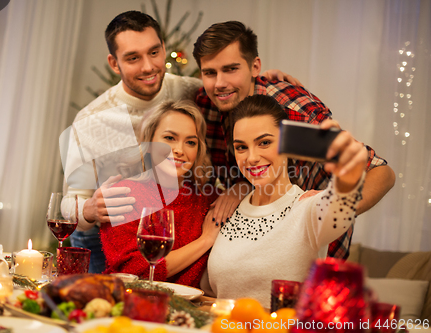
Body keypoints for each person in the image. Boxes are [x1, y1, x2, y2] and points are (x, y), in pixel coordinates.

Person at [61, 12, 297, 273]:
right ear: (114, 64)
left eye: (154, 52)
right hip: (105, 237)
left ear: (164, 49)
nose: (148, 67)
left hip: (176, 224)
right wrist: (89, 210)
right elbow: (68, 203)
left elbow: (228, 82)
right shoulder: (90, 122)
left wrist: (263, 81)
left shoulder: (190, 90)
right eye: (133, 58)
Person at [192, 21, 395, 259]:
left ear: (255, 66)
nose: (219, 83)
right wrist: (243, 188)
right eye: (210, 73)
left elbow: (381, 172)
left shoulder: (293, 114)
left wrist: (331, 213)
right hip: (249, 243)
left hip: (313, 254)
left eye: (231, 69)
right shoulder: (205, 105)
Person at [207, 94, 367, 305]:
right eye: (241, 147)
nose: (252, 157)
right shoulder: (230, 208)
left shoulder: (307, 208)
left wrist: (347, 178)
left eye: (264, 143)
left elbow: (338, 210)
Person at [100, 100, 219, 287]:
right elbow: (134, 272)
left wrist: (237, 191)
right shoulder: (124, 195)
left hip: (188, 311)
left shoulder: (208, 199)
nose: (179, 150)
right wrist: (205, 241)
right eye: (170, 138)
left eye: (190, 142)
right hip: (129, 303)